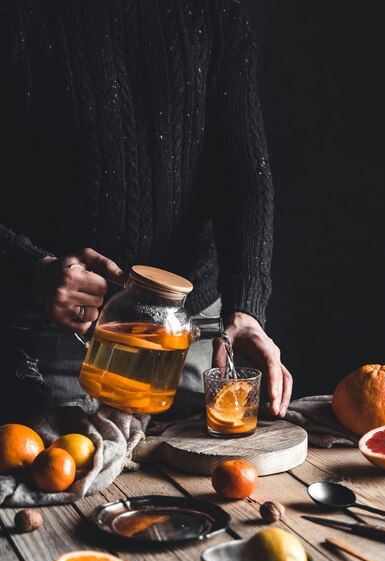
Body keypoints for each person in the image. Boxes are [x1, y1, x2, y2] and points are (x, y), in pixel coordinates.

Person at [0, 0, 292, 422]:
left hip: (186, 336)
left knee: (188, 481)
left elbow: (241, 170)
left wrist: (246, 310)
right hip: (54, 334)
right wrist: (34, 269)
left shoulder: (213, 10)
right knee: (60, 480)